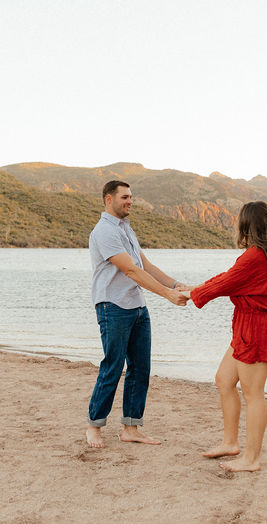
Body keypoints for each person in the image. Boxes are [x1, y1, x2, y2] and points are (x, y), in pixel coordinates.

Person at [180, 200, 267, 472]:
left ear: (246, 224)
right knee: (224, 380)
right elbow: (228, 277)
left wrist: (194, 295)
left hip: (257, 329)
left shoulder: (255, 256)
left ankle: (252, 459)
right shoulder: (256, 254)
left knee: (253, 394)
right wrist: (196, 288)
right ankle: (231, 443)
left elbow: (227, 283)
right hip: (245, 327)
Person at [86, 180, 189, 449]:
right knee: (112, 366)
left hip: (137, 307)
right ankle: (94, 425)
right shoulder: (104, 232)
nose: (130, 201)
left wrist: (176, 285)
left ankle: (131, 427)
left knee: (141, 368)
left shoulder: (126, 230)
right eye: (124, 197)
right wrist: (167, 296)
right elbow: (130, 271)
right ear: (109, 199)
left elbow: (146, 265)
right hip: (113, 306)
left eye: (131, 196)